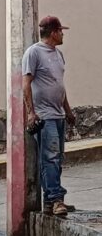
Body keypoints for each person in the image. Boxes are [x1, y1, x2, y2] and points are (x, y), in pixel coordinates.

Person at [22, 15, 76, 217]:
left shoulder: (59, 55)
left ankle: (49, 202)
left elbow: (59, 85)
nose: (62, 34)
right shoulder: (34, 53)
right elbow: (26, 84)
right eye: (60, 31)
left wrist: (67, 110)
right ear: (53, 33)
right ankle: (56, 199)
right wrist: (31, 112)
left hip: (58, 114)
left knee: (57, 158)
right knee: (50, 158)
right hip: (44, 116)